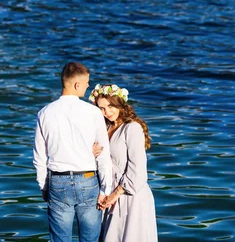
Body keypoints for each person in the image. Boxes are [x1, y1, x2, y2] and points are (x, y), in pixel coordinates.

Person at [33, 62, 113, 242]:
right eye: (86, 83)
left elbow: (39, 157)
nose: (88, 86)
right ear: (77, 85)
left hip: (58, 182)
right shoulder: (93, 113)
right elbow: (104, 154)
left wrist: (44, 186)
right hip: (87, 180)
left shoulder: (44, 113)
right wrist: (105, 189)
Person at [89, 84, 158, 242]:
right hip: (108, 192)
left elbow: (138, 169)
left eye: (110, 106)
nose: (107, 112)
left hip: (129, 195)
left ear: (120, 104)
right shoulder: (104, 129)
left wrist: (114, 195)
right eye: (102, 108)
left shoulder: (132, 129)